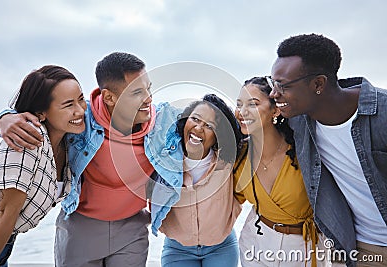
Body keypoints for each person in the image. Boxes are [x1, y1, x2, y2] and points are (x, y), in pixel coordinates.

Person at [0, 52, 182, 267]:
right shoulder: (82, 119)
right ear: (109, 97)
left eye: (148, 88)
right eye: (137, 92)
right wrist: (5, 117)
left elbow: (204, 117)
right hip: (80, 227)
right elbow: (36, 116)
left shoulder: (163, 122)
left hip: (132, 229)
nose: (148, 98)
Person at [267, 33, 387, 267]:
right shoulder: (299, 121)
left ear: (318, 84)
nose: (274, 93)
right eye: (273, 83)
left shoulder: (382, 113)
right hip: (361, 248)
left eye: (282, 85)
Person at [0, 65, 87, 266]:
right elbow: (6, 213)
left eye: (81, 99)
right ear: (41, 113)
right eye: (68, 105)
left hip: (4, 240)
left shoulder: (67, 141)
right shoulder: (27, 139)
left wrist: (4, 116)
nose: (80, 110)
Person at [233, 77, 322, 267]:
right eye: (239, 104)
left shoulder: (303, 152)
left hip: (303, 250)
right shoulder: (239, 158)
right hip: (255, 245)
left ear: (275, 109)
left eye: (253, 104)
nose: (242, 112)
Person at [149, 94, 242, 267]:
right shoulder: (164, 159)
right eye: (195, 119)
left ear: (217, 135)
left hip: (221, 247)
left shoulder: (228, 162)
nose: (199, 128)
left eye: (209, 126)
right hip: (177, 249)